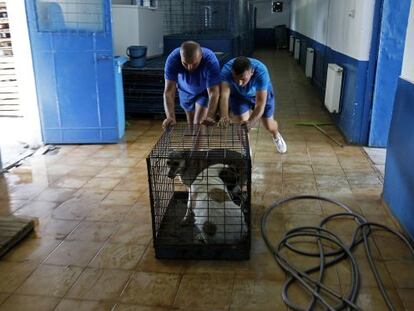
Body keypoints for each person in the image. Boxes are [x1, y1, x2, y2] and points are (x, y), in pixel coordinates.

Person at [217, 56, 287, 153]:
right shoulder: (226, 71)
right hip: (239, 95)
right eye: (236, 79)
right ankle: (247, 152)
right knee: (241, 125)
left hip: (261, 94)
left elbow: (260, 104)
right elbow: (224, 96)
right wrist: (224, 116)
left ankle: (276, 134)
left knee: (268, 125)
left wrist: (251, 122)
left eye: (243, 79)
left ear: (252, 72)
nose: (240, 83)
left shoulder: (261, 72)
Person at [162, 41, 220, 129]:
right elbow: (169, 92)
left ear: (201, 56)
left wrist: (210, 116)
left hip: (204, 92)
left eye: (194, 64)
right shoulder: (173, 59)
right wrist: (170, 117)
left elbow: (214, 92)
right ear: (180, 57)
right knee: (191, 126)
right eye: (185, 64)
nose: (190, 68)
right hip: (185, 91)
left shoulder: (210, 60)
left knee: (198, 125)